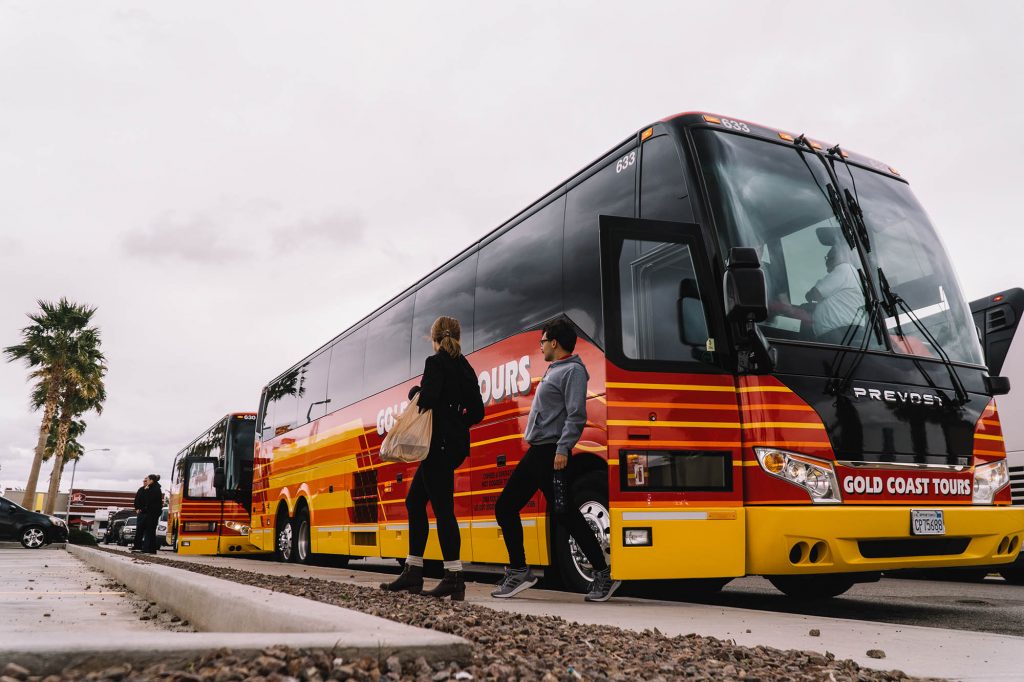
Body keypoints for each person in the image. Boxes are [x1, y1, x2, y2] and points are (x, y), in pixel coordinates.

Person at [491, 318, 621, 603]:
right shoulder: (556, 369)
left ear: (554, 342)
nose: (539, 347)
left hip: (549, 452)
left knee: (507, 506)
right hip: (540, 450)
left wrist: (563, 449)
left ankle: (520, 571)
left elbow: (576, 415)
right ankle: (601, 572)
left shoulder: (572, 371)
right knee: (566, 514)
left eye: (542, 341)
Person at [380, 316, 482, 600]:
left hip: (437, 446)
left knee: (443, 510)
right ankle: (413, 572)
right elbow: (478, 412)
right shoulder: (465, 366)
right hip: (453, 447)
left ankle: (454, 577)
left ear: (434, 338)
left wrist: (415, 392)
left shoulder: (435, 362)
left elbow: (427, 399)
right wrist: (456, 420)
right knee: (415, 502)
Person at [805, 245, 865, 345]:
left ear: (839, 257)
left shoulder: (845, 269)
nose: (826, 262)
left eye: (828, 258)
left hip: (842, 333)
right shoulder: (849, 274)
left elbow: (815, 294)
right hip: (842, 332)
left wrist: (810, 294)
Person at [131, 474, 162, 554]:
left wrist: (143, 509)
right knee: (146, 531)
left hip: (151, 513)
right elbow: (139, 500)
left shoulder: (155, 489)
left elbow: (150, 502)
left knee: (149, 531)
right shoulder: (148, 488)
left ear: (151, 480)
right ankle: (147, 548)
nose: (146, 481)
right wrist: (138, 508)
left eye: (147, 480)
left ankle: (148, 549)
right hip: (147, 512)